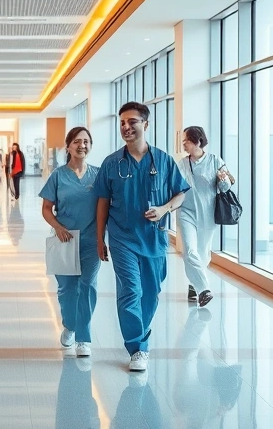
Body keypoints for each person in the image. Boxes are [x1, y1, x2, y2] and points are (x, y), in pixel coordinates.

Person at [95, 102, 189, 373]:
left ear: (145, 125)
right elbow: (102, 201)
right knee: (131, 291)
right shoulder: (112, 163)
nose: (126, 127)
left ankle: (141, 334)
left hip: (155, 238)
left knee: (151, 294)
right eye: (122, 122)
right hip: (122, 237)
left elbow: (180, 193)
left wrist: (164, 209)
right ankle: (138, 347)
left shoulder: (163, 160)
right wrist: (101, 237)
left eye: (132, 122)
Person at [40, 126, 100, 358]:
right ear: (68, 146)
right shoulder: (58, 175)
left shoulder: (98, 175)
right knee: (67, 289)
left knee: (88, 287)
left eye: (86, 141)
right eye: (76, 141)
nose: (81, 145)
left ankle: (83, 337)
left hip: (91, 240)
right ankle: (70, 325)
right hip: (65, 239)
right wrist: (57, 227)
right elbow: (46, 208)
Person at [176, 126, 232, 307]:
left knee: (203, 254)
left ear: (198, 141)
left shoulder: (215, 161)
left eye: (187, 141)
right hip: (186, 211)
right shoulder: (182, 164)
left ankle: (194, 285)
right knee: (190, 251)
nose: (184, 144)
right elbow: (175, 186)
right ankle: (204, 289)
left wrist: (223, 180)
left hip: (208, 213)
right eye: (183, 141)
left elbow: (225, 188)